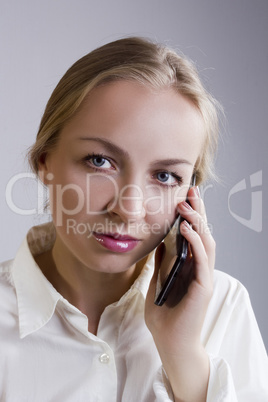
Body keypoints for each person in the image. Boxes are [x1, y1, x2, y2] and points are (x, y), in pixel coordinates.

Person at [0, 37, 267, 402]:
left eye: (164, 176)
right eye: (99, 161)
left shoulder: (225, 306)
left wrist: (182, 353)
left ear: (190, 195)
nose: (128, 208)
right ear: (45, 161)